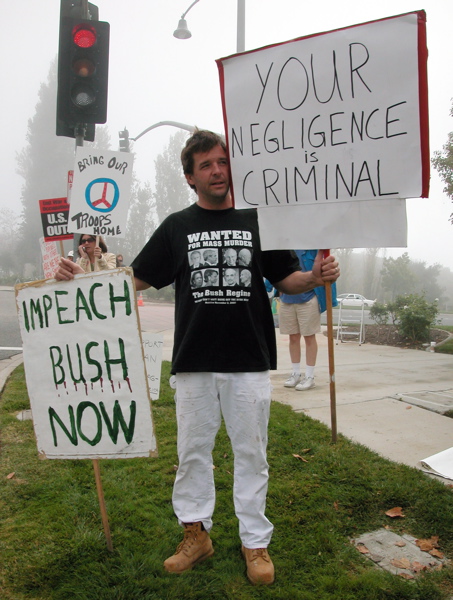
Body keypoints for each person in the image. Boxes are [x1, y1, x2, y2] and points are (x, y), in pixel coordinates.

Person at [54, 130, 339, 586]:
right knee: (192, 454)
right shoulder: (176, 226)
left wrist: (316, 275)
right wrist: (83, 275)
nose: (217, 171)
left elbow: (288, 280)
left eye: (222, 162)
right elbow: (133, 278)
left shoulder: (259, 220)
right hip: (193, 361)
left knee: (252, 454)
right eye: (206, 165)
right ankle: (195, 535)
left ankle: (255, 542)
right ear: (190, 177)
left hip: (248, 360)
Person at [280, 250, 338, 391]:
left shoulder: (313, 249)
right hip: (287, 299)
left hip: (307, 299)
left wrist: (331, 299)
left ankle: (310, 376)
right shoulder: (284, 248)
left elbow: (325, 272)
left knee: (309, 337)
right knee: (293, 337)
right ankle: (295, 373)